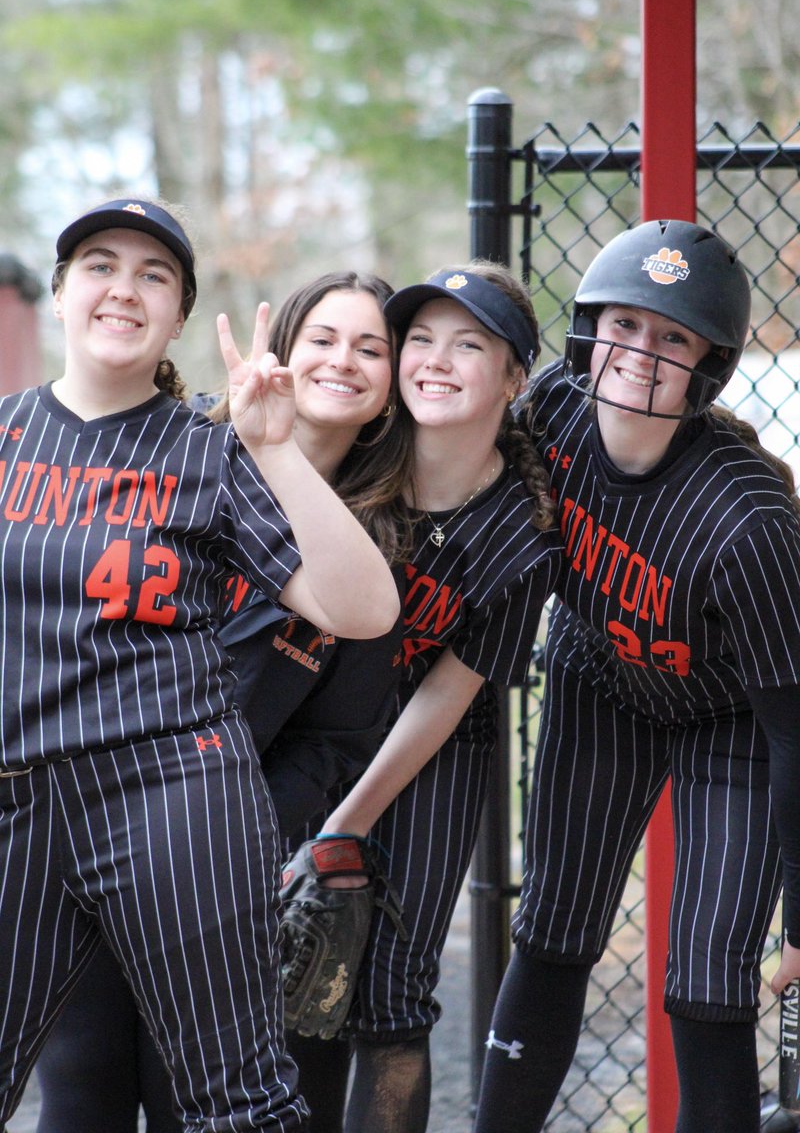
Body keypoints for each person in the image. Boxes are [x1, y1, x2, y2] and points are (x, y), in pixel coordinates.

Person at [0, 198, 400, 1133]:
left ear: (178, 314)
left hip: (169, 794)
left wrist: (274, 450)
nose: (123, 289)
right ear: (62, 294)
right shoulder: (7, 435)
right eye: (100, 265)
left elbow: (364, 609)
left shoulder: (208, 449)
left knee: (235, 1099)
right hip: (19, 797)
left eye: (154, 275)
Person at [473, 219, 800, 1133]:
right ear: (589, 330)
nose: (641, 352)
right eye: (625, 323)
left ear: (710, 365)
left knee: (708, 983)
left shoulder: (748, 519)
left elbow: (792, 730)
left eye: (673, 337)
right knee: (551, 930)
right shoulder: (551, 413)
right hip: (600, 676)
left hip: (729, 718)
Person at [295, 262, 563, 1133]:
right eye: (420, 339)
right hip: (315, 729)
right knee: (299, 970)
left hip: (432, 749)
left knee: (393, 996)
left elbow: (445, 699)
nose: (434, 361)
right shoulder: (363, 453)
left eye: (469, 345)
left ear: (514, 377)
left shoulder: (523, 531)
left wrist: (345, 826)